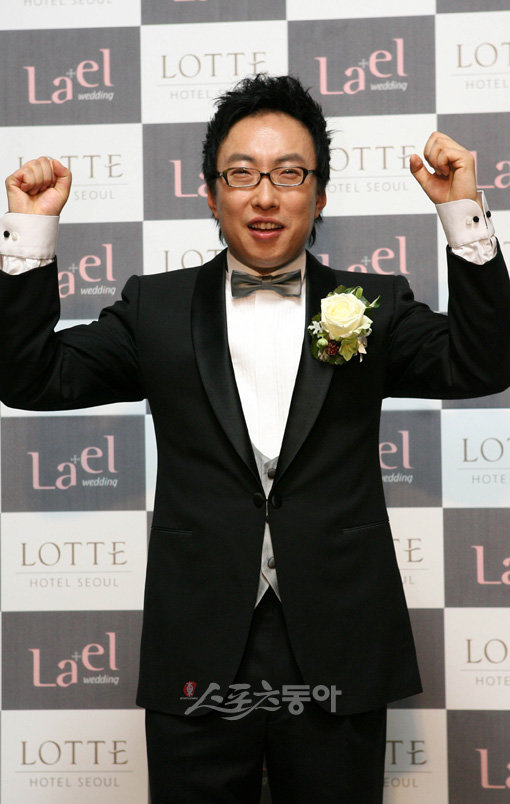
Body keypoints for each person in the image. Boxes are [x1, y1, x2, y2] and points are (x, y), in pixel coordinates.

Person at [1, 74, 509, 803]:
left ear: (320, 194)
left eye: (289, 174)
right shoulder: (156, 309)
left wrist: (462, 212)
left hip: (339, 639)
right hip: (198, 645)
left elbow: (482, 363)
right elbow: (31, 378)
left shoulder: (375, 304)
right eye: (241, 174)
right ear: (211, 193)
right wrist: (30, 232)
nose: (264, 196)